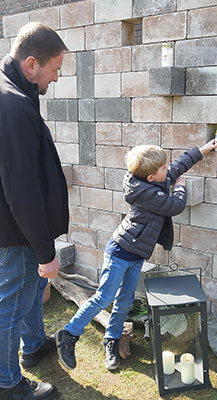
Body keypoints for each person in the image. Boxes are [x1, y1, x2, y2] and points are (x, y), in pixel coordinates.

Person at [55, 139, 217, 372]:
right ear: (151, 177)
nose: (168, 169)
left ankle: (111, 340)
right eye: (163, 168)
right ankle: (69, 334)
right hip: (120, 253)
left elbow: (177, 166)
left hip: (135, 255)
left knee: (124, 301)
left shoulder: (150, 179)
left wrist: (202, 150)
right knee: (103, 298)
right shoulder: (146, 193)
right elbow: (174, 206)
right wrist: (180, 187)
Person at [0, 22, 69, 400]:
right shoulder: (11, 105)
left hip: (16, 226)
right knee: (9, 304)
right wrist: (45, 251)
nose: (56, 78)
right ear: (31, 64)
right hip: (13, 231)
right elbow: (21, 188)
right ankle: (8, 383)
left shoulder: (16, 91)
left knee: (28, 290)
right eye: (54, 69)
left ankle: (34, 344)